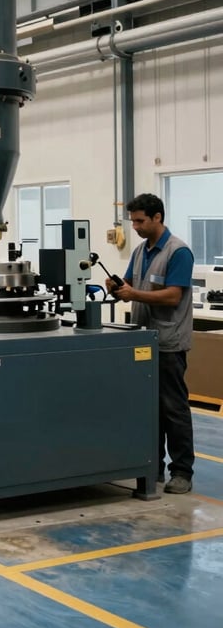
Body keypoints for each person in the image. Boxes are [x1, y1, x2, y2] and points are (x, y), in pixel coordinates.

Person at [107, 193, 195, 494]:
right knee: (147, 408)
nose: (135, 227)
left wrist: (134, 294)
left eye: (140, 221)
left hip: (168, 343)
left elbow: (173, 296)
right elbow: (130, 285)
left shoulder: (178, 252)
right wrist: (117, 287)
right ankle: (151, 467)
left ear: (158, 217)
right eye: (133, 221)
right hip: (143, 340)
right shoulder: (140, 251)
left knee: (173, 409)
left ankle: (181, 471)